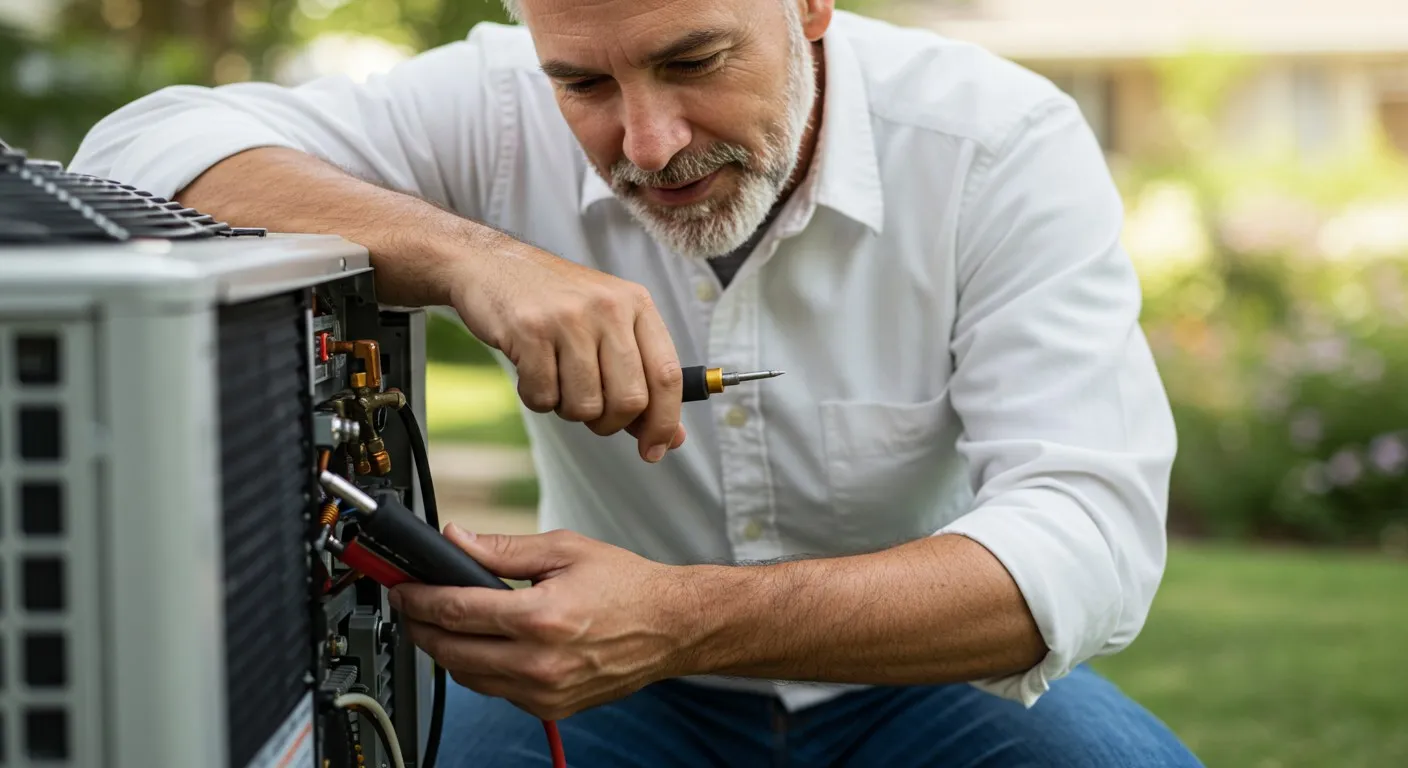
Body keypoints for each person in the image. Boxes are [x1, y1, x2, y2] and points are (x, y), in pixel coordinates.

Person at [71, 0, 1199, 765]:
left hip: (918, 679)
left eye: (695, 62)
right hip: (594, 695)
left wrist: (685, 620)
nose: (648, 143)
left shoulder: (995, 145)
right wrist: (478, 259)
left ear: (809, 4)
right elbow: (134, 151)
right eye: (582, 82)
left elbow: (1087, 543)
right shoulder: (490, 102)